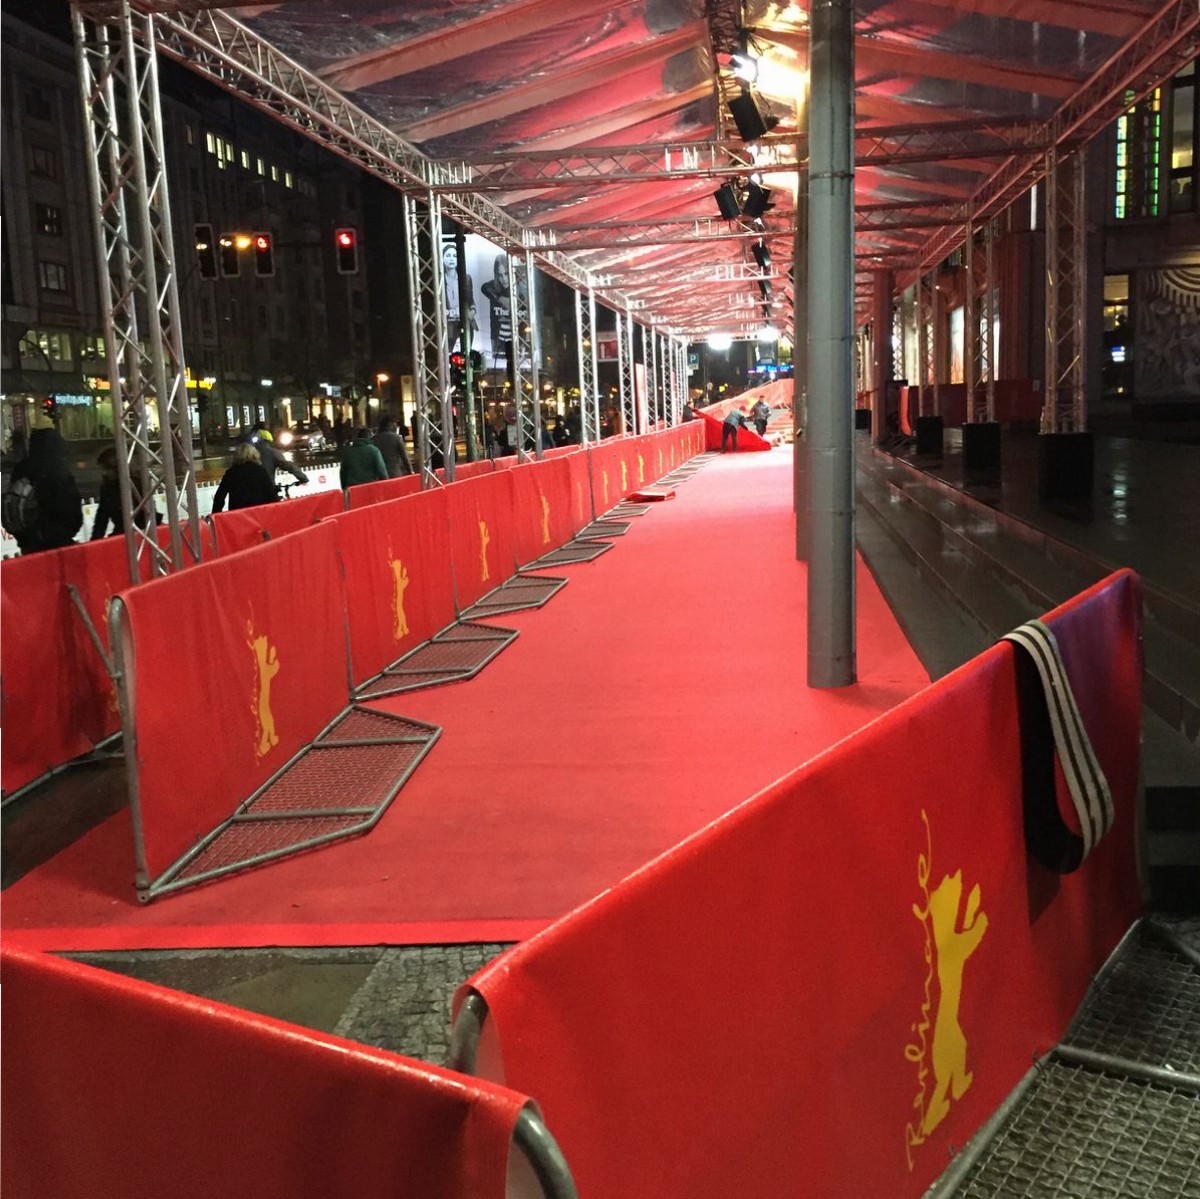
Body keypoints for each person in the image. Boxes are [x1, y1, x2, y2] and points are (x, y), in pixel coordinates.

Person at [2, 423, 83, 554]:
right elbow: (71, 508)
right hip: (58, 541)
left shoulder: (22, 469)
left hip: (28, 541)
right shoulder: (58, 470)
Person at [91, 445, 155, 539]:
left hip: (144, 532)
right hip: (122, 533)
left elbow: (149, 513)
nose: (104, 473)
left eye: (107, 469)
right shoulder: (107, 489)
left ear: (117, 468)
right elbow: (101, 519)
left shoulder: (138, 484)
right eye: (103, 469)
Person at [211, 442, 278, 512]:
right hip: (258, 513)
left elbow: (219, 497)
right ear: (254, 455)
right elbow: (271, 493)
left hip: (237, 514)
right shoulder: (260, 471)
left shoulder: (231, 473)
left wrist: (216, 513)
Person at [442, 242, 477, 354]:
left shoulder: (466, 278)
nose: (451, 259)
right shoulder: (440, 281)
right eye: (448, 256)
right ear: (442, 258)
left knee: (467, 353)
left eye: (454, 256)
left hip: (465, 322)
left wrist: (473, 310)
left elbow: (471, 299)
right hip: (449, 323)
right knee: (448, 353)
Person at [252, 426, 309, 491]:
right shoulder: (272, 452)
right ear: (269, 440)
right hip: (267, 489)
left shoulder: (248, 453)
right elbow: (288, 466)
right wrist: (303, 478)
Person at [480, 252, 513, 366]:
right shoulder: (493, 287)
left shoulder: (520, 287)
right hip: (497, 335)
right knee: (497, 361)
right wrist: (499, 298)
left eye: (506, 274)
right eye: (500, 275)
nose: (503, 279)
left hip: (516, 335)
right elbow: (484, 287)